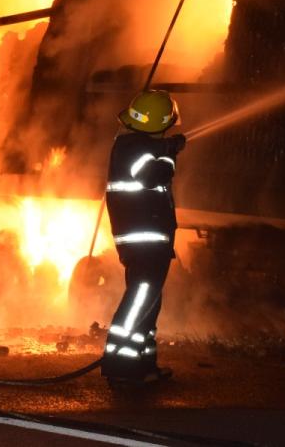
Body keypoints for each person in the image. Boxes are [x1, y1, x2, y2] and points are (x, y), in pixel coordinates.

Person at [100, 90, 185, 386]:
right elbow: (155, 175)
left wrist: (164, 148)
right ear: (161, 122)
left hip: (148, 240)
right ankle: (120, 365)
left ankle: (143, 364)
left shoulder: (135, 144)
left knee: (149, 303)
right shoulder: (134, 148)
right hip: (144, 241)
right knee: (139, 300)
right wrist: (170, 152)